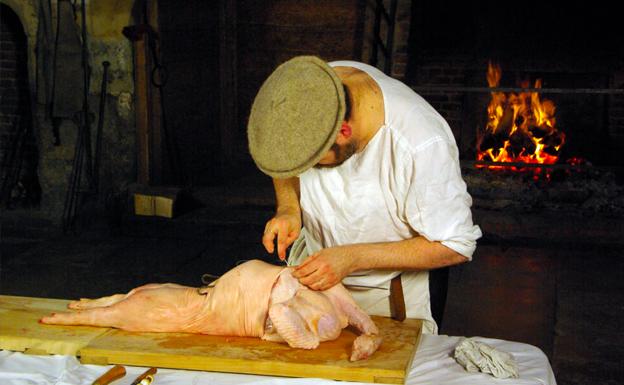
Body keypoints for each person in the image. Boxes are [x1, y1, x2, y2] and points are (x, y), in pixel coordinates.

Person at [247, 56, 481, 334]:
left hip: (391, 297)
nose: (305, 170)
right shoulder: (312, 87)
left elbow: (456, 245)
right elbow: (281, 154)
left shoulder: (421, 143)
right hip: (313, 281)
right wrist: (288, 208)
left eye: (312, 162)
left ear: (343, 132)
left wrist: (351, 258)